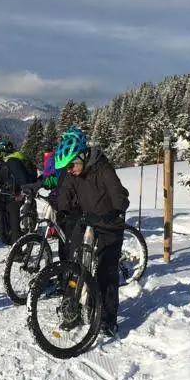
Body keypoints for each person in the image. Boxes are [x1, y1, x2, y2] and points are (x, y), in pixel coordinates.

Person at [54, 128, 129, 339]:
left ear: (83, 156)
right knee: (75, 262)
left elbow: (120, 199)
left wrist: (114, 214)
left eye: (72, 165)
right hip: (87, 220)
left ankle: (107, 319)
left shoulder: (103, 169)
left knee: (106, 270)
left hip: (109, 223)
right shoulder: (72, 173)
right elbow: (65, 194)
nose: (70, 171)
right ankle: (72, 310)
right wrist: (63, 211)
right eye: (67, 168)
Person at [0, 142, 36, 245]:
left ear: (3, 152)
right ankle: (4, 234)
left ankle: (17, 253)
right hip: (5, 195)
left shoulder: (12, 161)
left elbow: (22, 178)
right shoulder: (2, 163)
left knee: (14, 225)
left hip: (14, 196)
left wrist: (22, 193)